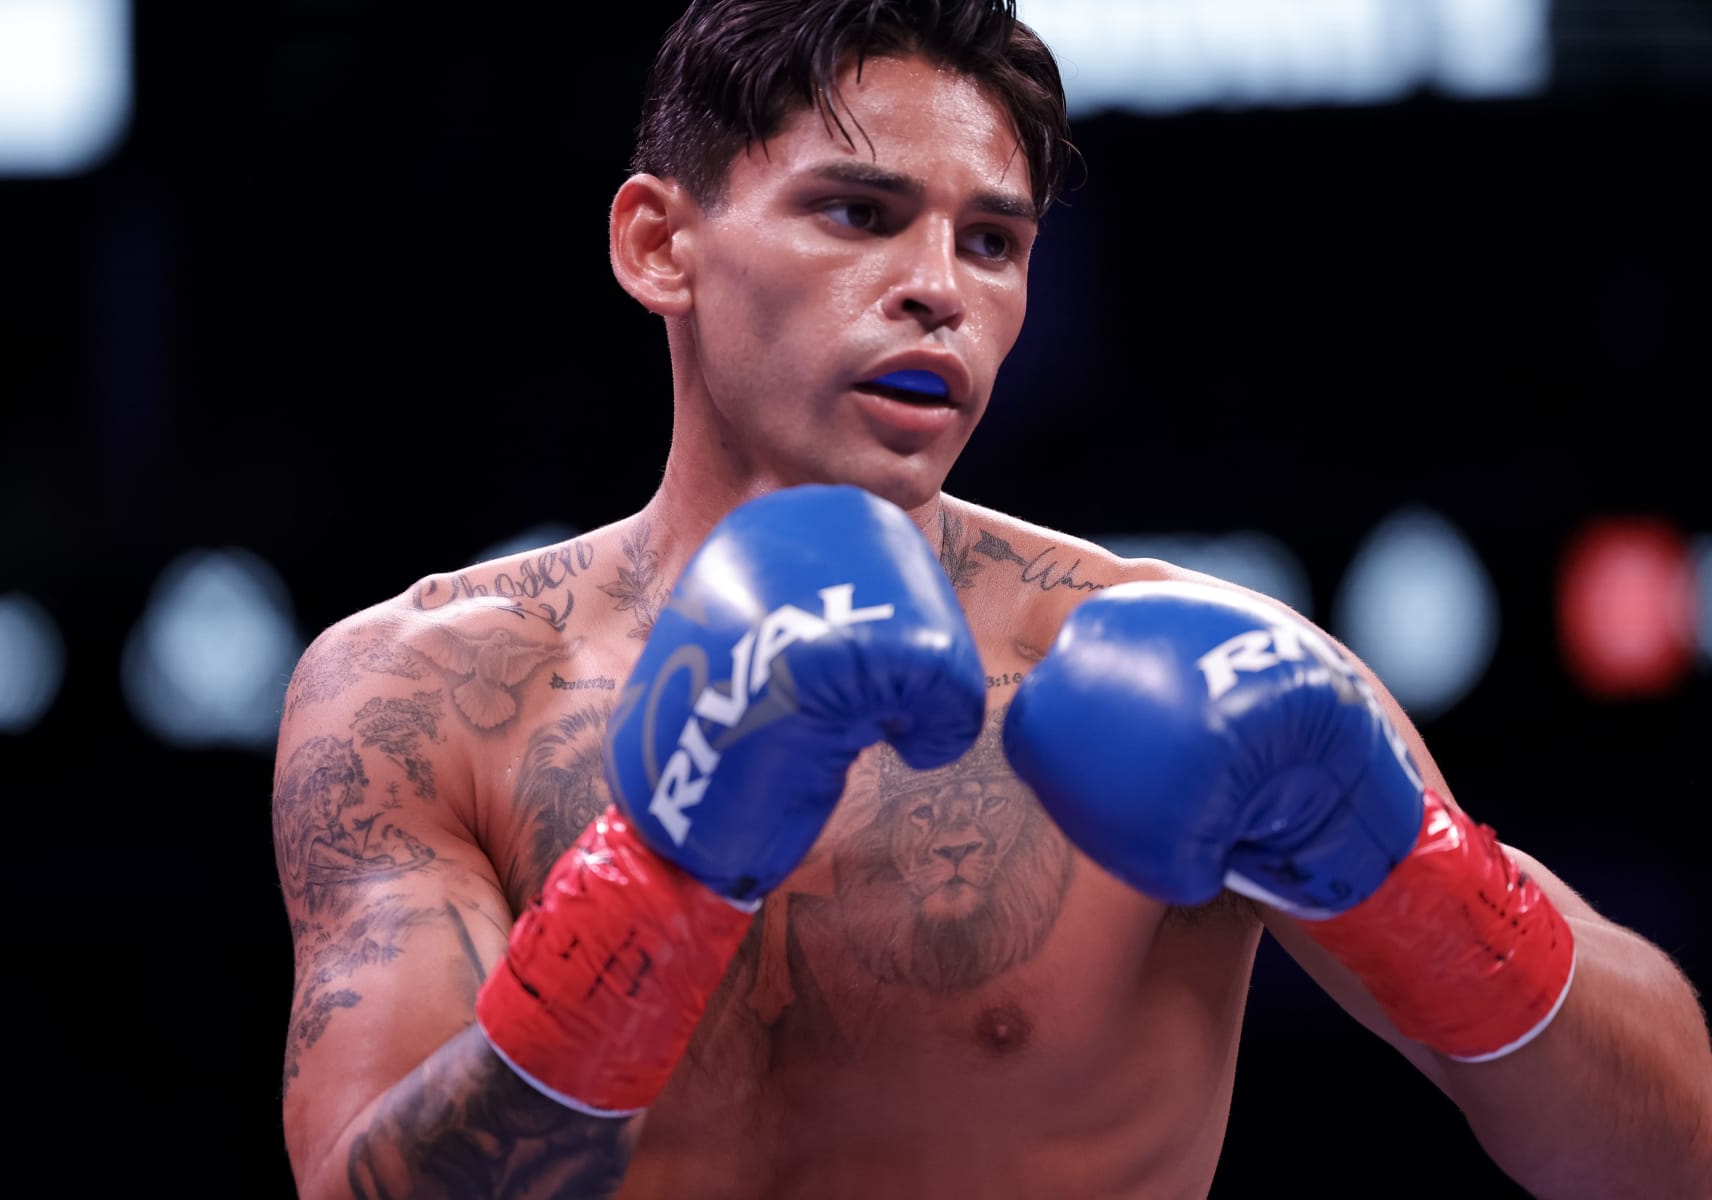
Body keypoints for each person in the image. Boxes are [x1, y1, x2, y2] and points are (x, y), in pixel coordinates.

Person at [269, 1, 1712, 1196]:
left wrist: (1415, 872)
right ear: (660, 245)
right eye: (858, 211)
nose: (937, 291)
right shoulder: (429, 692)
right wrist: (660, 872)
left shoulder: (1179, 659)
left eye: (992, 242)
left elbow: (1660, 1157)